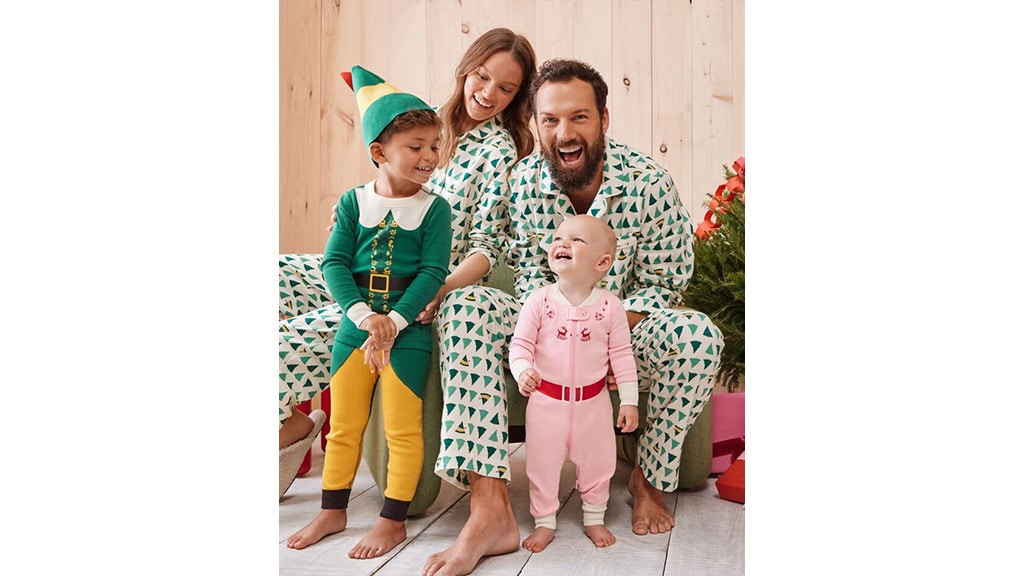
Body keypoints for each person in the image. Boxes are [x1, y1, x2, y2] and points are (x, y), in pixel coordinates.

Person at [422, 59, 724, 576]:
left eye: (579, 117)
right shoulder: (520, 181)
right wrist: (438, 280)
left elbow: (666, 280)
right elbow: (495, 251)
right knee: (467, 307)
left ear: (603, 118)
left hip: (624, 331)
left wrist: (604, 333)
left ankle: (648, 480)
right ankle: (489, 511)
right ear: (536, 124)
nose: (564, 133)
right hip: (537, 329)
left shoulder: (649, 182)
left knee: (698, 336)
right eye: (550, 120)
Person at [278, 26, 536, 506]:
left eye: (506, 88)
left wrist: (440, 288)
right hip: (364, 259)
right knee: (276, 275)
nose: (489, 94)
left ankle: (287, 430)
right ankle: (289, 424)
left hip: (414, 284)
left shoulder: (499, 153)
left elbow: (486, 247)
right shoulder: (421, 117)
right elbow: (384, 187)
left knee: (293, 341)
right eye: (483, 76)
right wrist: (352, 213)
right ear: (466, 69)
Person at [284, 65, 453, 559]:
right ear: (379, 152)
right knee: (343, 425)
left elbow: (432, 272)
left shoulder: (436, 209)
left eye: (434, 145)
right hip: (354, 330)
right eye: (415, 147)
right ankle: (332, 510)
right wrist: (364, 318)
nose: (429, 156)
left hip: (408, 332)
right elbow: (334, 263)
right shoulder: (352, 203)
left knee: (402, 427)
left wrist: (393, 323)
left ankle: (392, 520)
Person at [509, 214, 640, 552]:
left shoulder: (610, 306)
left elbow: (622, 355)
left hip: (593, 404)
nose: (562, 243)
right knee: (542, 465)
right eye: (558, 238)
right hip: (546, 402)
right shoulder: (539, 300)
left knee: (598, 463)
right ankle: (544, 521)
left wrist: (629, 401)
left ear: (602, 263)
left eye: (576, 240)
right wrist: (523, 370)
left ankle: (594, 517)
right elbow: (520, 345)